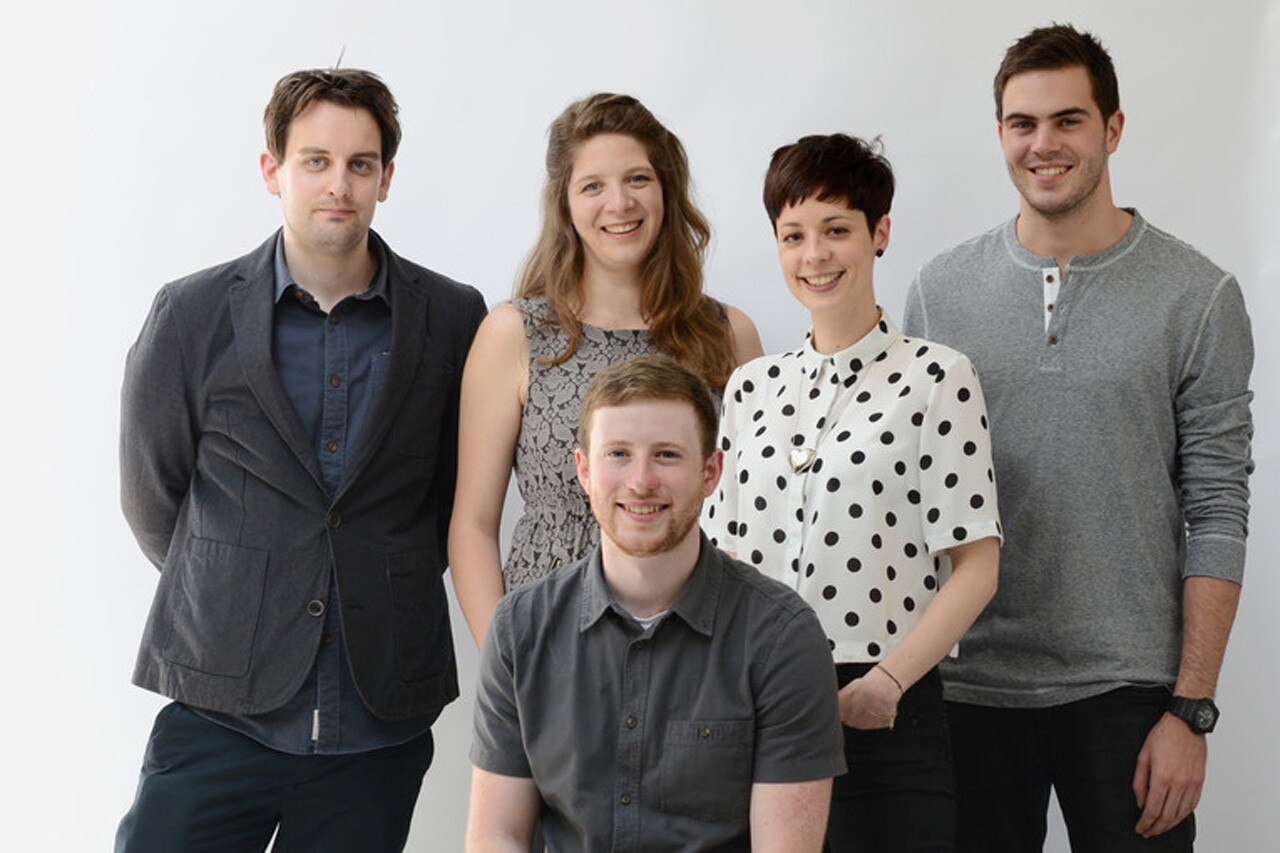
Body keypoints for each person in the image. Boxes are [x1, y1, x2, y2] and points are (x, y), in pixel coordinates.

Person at [116, 68, 487, 852]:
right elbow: (153, 494)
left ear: (387, 177)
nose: (338, 185)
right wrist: (243, 583)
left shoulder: (454, 317)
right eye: (315, 161)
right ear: (272, 169)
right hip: (220, 706)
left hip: (377, 723)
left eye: (360, 164)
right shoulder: (190, 313)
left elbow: (454, 498)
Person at [904, 24, 1254, 852]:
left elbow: (1218, 507)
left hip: (1129, 693)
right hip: (967, 687)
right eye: (1022, 123)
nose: (1044, 144)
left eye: (1068, 120)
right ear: (1000, 134)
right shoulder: (940, 291)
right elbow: (913, 498)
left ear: (1112, 128)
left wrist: (1191, 708)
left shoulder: (1198, 296)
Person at [704, 133, 1002, 850]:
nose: (815, 255)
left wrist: (887, 684)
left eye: (836, 230)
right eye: (794, 235)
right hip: (759, 707)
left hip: (886, 705)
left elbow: (977, 565)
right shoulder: (751, 386)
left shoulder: (938, 377)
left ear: (880, 233)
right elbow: (718, 557)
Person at [466, 354, 845, 852]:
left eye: (666, 455)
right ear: (584, 470)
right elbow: (496, 836)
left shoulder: (782, 637)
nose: (641, 481)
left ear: (711, 471)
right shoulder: (520, 628)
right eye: (618, 454)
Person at [449, 93, 763, 648]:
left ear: (666, 191)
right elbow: (473, 525)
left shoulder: (728, 334)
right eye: (593, 185)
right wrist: (505, 662)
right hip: (552, 637)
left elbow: (760, 512)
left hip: (700, 635)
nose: (619, 203)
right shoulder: (515, 334)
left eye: (638, 179)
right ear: (565, 205)